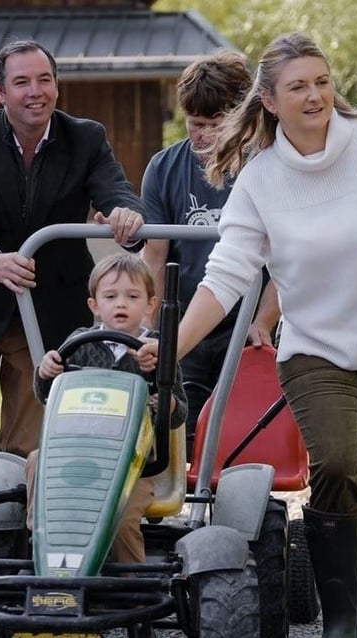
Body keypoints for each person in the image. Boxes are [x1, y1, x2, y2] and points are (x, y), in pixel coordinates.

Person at [141, 33, 357, 638]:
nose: (315, 94)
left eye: (321, 80)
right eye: (298, 85)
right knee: (338, 467)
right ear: (269, 99)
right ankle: (337, 628)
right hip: (315, 347)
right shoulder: (261, 179)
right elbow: (227, 276)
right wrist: (168, 346)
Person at [0, 39, 146, 522]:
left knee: (26, 443)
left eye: (44, 80)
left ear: (57, 87)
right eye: (22, 82)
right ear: (0, 92)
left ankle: (15, 540)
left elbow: (115, 188)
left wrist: (126, 214)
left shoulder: (85, 138)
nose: (35, 92)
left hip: (45, 314)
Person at [25, 252, 186, 638]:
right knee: (36, 462)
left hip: (138, 467)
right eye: (111, 295)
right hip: (75, 457)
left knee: (126, 512)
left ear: (151, 305)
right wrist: (46, 373)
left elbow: (177, 413)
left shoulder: (160, 351)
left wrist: (161, 387)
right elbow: (47, 398)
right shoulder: (79, 343)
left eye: (133, 296)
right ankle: (47, 559)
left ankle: (138, 615)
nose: (121, 303)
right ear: (93, 303)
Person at [137, 49, 281, 456]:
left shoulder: (266, 165)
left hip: (250, 321)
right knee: (186, 430)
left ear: (241, 118)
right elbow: (154, 256)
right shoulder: (164, 168)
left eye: (215, 126)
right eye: (195, 125)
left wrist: (265, 320)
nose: (203, 136)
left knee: (246, 432)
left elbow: (286, 257)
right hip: (191, 322)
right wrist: (152, 325)